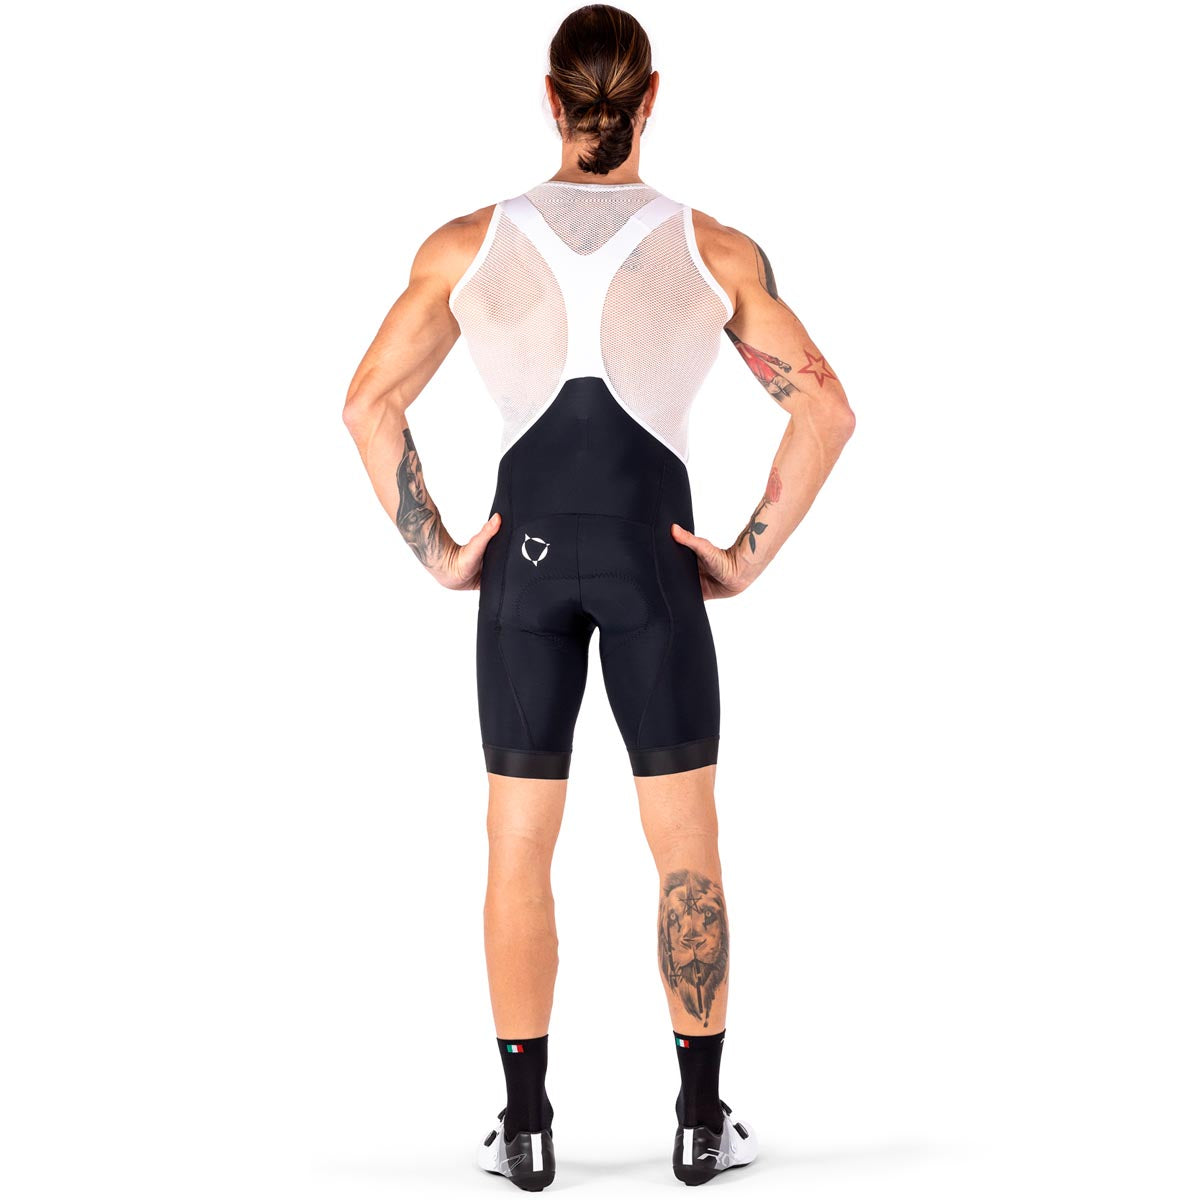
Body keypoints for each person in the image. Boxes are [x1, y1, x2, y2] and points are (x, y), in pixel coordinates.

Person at [342, 4, 855, 1189]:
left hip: (519, 567)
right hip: (649, 561)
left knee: (518, 843)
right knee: (686, 841)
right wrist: (744, 555)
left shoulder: (467, 245)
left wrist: (441, 552)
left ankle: (525, 1129)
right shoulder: (713, 249)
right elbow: (824, 407)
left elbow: (368, 403)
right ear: (652, 96)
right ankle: (700, 1123)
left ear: (550, 97)